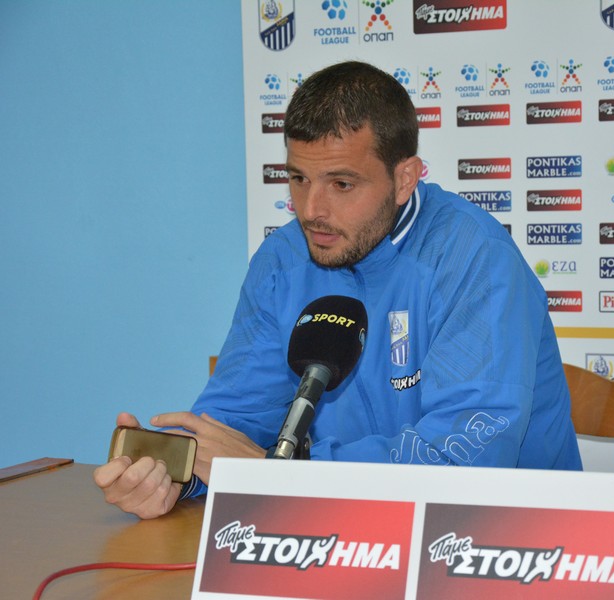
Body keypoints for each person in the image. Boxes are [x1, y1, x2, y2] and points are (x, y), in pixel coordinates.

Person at [94, 61, 582, 518]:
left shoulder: (475, 258)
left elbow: (465, 459)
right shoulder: (282, 260)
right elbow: (237, 420)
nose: (310, 210)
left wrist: (286, 474)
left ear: (405, 179)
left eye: (342, 184)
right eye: (298, 178)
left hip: (506, 538)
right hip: (335, 529)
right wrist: (177, 477)